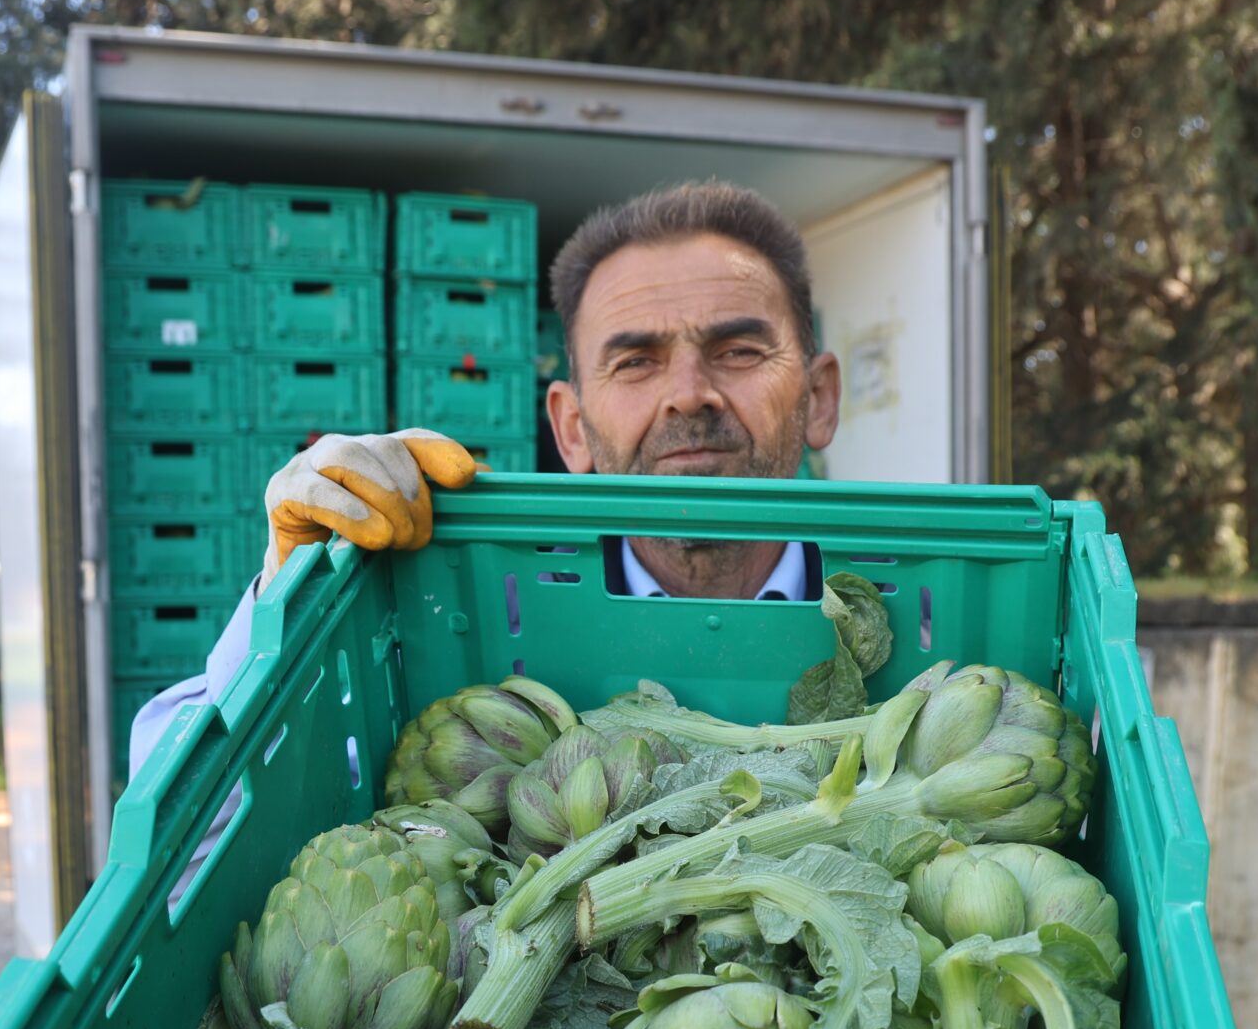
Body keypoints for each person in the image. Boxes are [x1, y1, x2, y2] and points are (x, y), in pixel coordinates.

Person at [127, 180, 845, 770]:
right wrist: (288, 612)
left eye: (739, 350)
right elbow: (182, 828)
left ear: (819, 399)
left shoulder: (930, 624)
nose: (689, 392)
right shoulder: (472, 624)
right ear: (570, 427)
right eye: (636, 361)